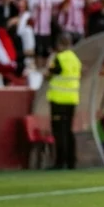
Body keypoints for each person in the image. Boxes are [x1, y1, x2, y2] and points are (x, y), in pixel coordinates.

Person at [46, 36, 82, 170]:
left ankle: (60, 162)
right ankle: (71, 161)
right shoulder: (75, 59)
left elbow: (50, 74)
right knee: (68, 130)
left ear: (60, 44)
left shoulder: (59, 58)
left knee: (59, 131)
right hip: (72, 99)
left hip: (58, 99)